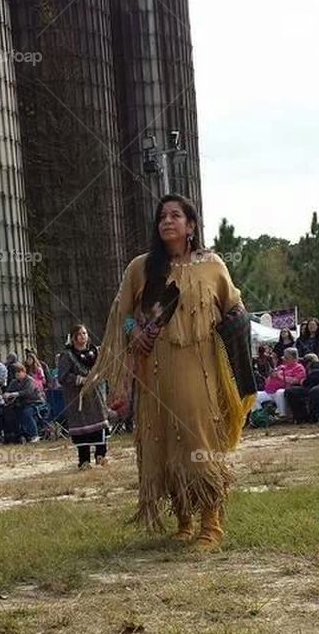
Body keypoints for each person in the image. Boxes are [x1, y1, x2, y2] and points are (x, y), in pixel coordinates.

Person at [84, 194, 255, 548]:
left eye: (176, 215)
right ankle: (183, 520)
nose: (167, 221)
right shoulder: (141, 268)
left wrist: (232, 346)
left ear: (190, 225)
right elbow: (124, 314)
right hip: (155, 370)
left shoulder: (212, 265)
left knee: (198, 438)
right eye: (162, 216)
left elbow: (235, 309)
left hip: (200, 366)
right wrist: (136, 334)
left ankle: (211, 524)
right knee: (163, 441)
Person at [58, 325, 109, 468]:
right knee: (83, 428)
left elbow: (104, 368)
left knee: (100, 424)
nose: (83, 336)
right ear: (73, 337)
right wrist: (79, 379)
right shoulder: (67, 355)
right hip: (78, 398)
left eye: (85, 333)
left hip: (95, 395)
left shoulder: (95, 352)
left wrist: (98, 376)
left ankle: (101, 455)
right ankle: (84, 460)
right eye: (79, 334)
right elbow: (62, 377)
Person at [254, 348, 306, 418]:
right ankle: (260, 415)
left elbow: (296, 380)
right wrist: (271, 376)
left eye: (287, 357)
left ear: (294, 358)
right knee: (254, 396)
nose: (284, 359)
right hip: (270, 391)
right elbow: (267, 380)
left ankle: (282, 414)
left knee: (280, 392)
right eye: (284, 357)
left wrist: (279, 376)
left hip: (284, 390)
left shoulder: (299, 367)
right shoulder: (281, 366)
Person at [3, 364, 41, 443]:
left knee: (26, 413)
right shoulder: (14, 382)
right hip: (19, 404)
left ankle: (35, 435)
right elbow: (8, 391)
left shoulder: (30, 380)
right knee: (8, 413)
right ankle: (15, 436)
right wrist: (6, 395)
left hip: (33, 403)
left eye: (19, 372)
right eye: (16, 373)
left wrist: (15, 394)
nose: (17, 374)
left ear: (24, 372)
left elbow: (28, 392)